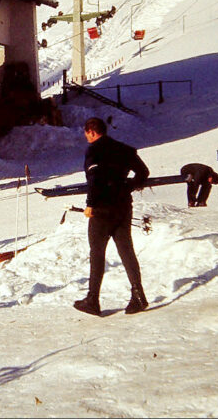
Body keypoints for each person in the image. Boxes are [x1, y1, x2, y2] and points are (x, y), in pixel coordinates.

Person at [74, 117, 150, 317]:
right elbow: (143, 172)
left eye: (86, 133)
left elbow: (94, 179)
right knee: (126, 250)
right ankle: (138, 295)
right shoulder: (125, 149)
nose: (86, 137)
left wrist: (90, 204)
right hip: (123, 206)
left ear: (91, 132)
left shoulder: (94, 150)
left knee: (97, 253)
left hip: (102, 208)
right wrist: (126, 187)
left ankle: (92, 300)